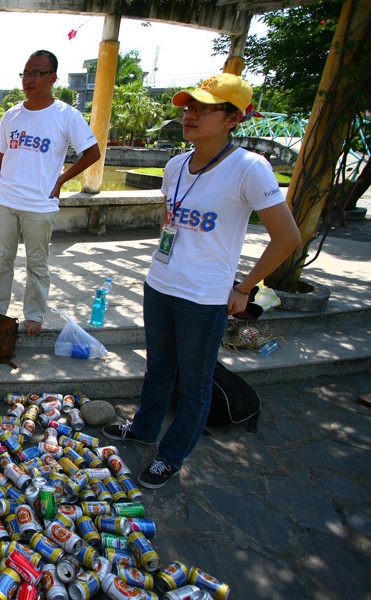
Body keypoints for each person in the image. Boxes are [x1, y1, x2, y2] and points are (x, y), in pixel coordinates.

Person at [101, 74, 300, 489]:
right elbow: (170, 220)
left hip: (205, 297)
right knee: (158, 369)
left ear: (233, 118)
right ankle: (143, 429)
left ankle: (171, 456)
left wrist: (244, 288)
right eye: (189, 107)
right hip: (160, 284)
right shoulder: (175, 165)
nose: (190, 115)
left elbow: (288, 238)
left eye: (204, 108)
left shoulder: (249, 168)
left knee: (194, 383)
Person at [0, 50, 101, 335]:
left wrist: (61, 181)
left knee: (37, 264)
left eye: (36, 73)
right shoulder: (12, 115)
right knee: (1, 260)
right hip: (4, 199)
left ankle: (34, 314)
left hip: (40, 204)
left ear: (53, 78)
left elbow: (92, 152)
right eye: (25, 73)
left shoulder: (67, 115)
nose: (29, 79)